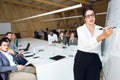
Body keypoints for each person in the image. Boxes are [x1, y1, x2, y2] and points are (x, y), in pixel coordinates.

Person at [73, 6, 113, 80]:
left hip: (94, 60)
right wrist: (102, 36)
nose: (91, 17)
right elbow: (87, 45)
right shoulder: (80, 29)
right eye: (88, 16)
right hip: (81, 58)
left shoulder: (100, 29)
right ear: (84, 18)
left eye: (92, 15)